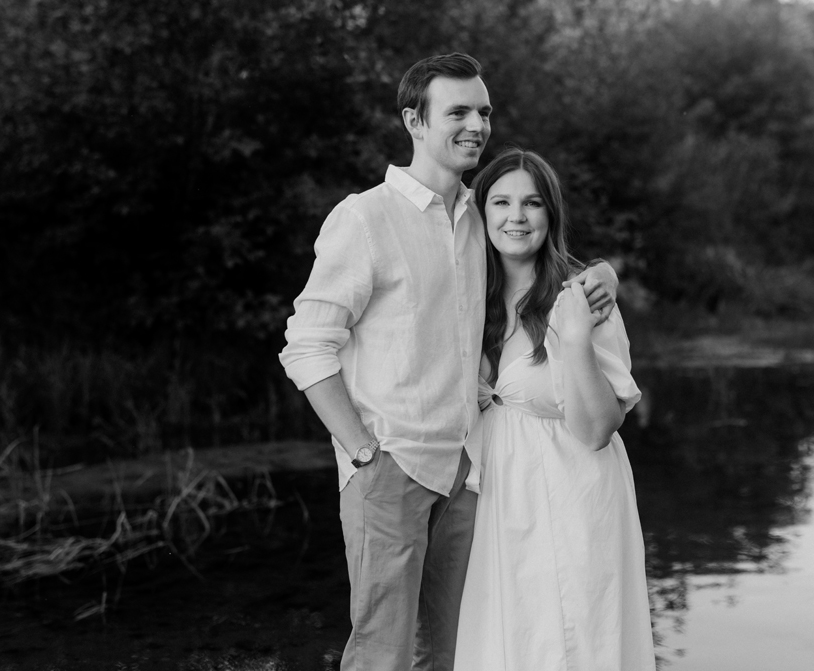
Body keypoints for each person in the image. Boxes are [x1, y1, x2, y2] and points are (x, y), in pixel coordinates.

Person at [279, 53, 617, 671]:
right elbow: (306, 345)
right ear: (414, 120)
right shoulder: (366, 217)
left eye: (483, 111)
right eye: (457, 111)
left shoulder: (478, 216)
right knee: (383, 653)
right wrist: (361, 453)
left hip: (466, 475)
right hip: (390, 468)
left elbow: (543, 252)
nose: (476, 125)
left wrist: (605, 276)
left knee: (453, 651)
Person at [454, 147, 654, 670]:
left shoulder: (583, 297)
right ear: (481, 212)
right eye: (500, 202)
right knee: (514, 636)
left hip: (575, 491)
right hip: (502, 496)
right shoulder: (468, 292)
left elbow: (597, 430)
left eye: (532, 203)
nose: (515, 217)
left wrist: (578, 338)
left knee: (575, 635)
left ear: (552, 215)